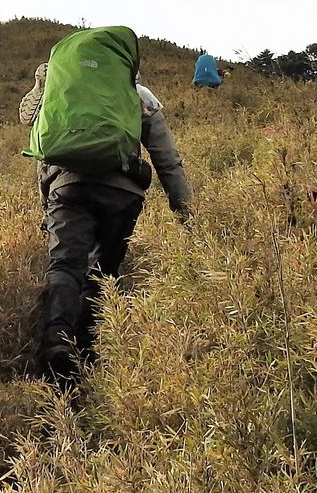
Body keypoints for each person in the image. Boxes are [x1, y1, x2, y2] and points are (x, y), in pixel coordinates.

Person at [20, 57, 192, 377]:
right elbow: (167, 158)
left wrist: (48, 205)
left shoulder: (62, 97)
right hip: (123, 192)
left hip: (68, 187)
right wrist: (186, 212)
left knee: (66, 265)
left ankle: (57, 340)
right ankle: (87, 347)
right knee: (104, 271)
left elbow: (44, 157)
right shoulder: (137, 93)